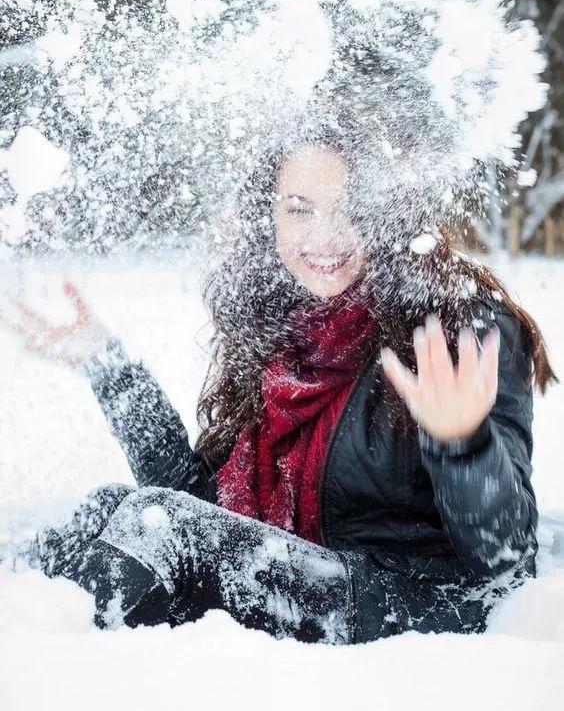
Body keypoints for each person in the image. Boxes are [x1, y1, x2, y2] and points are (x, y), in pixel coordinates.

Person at [4, 139, 556, 644]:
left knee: (162, 529)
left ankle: (61, 667)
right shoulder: (284, 333)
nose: (324, 236)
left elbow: (506, 562)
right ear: (268, 216)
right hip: (310, 577)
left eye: (347, 207)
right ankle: (24, 631)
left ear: (387, 210)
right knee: (110, 511)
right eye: (299, 209)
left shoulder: (456, 326)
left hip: (415, 609)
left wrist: (463, 444)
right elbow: (203, 506)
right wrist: (112, 369)